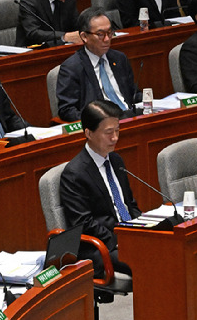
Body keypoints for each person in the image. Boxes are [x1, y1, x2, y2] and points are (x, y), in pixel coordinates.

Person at [60, 99, 140, 277]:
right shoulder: (74, 174)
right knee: (150, 261)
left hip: (128, 237)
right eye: (108, 133)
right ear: (88, 133)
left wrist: (143, 231)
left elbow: (130, 205)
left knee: (169, 250)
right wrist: (122, 239)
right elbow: (84, 224)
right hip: (103, 245)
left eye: (117, 131)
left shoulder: (116, 161)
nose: (115, 138)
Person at [56, 8, 139, 122]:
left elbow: (132, 94)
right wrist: (96, 121)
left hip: (129, 118)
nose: (106, 39)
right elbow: (67, 110)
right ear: (84, 36)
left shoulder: (119, 58)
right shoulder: (72, 68)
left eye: (109, 33)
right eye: (100, 34)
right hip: (101, 127)